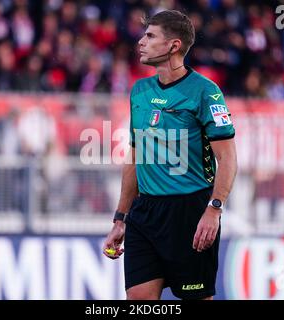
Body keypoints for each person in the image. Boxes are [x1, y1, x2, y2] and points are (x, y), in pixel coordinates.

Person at [102, 10, 237, 300]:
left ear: (174, 46)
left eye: (150, 36)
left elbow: (227, 159)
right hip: (145, 213)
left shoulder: (205, 92)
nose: (141, 42)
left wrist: (214, 209)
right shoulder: (139, 91)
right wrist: (120, 218)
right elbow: (135, 156)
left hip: (190, 213)